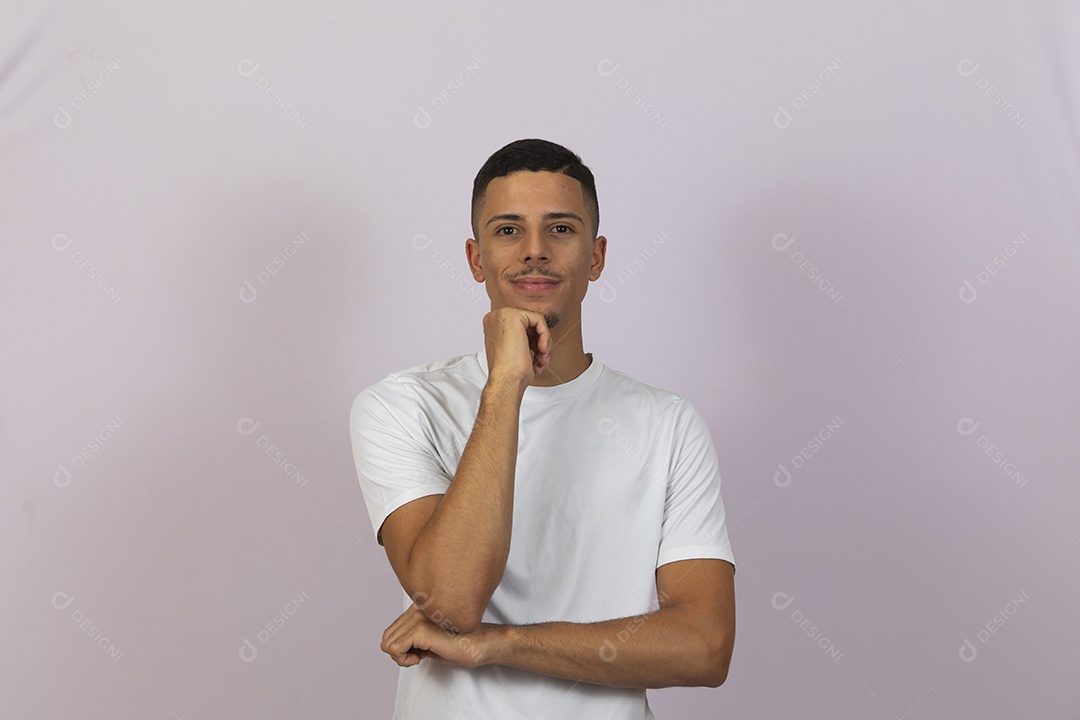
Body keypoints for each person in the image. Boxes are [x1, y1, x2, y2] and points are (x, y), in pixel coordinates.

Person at [349, 138, 735, 719]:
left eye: (560, 229)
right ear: (476, 258)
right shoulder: (401, 406)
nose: (534, 251)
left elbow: (704, 646)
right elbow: (451, 602)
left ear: (597, 256)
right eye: (508, 230)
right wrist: (506, 384)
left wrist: (502, 644)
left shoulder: (667, 423)